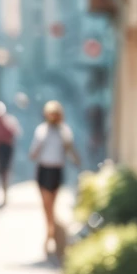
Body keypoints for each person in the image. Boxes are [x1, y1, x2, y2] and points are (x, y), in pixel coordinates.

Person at [29, 100, 80, 254]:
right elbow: (33, 153)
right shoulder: (42, 130)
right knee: (46, 204)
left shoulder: (64, 131)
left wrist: (77, 161)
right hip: (44, 169)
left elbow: (70, 149)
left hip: (57, 169)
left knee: (52, 203)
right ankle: (50, 231)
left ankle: (51, 232)